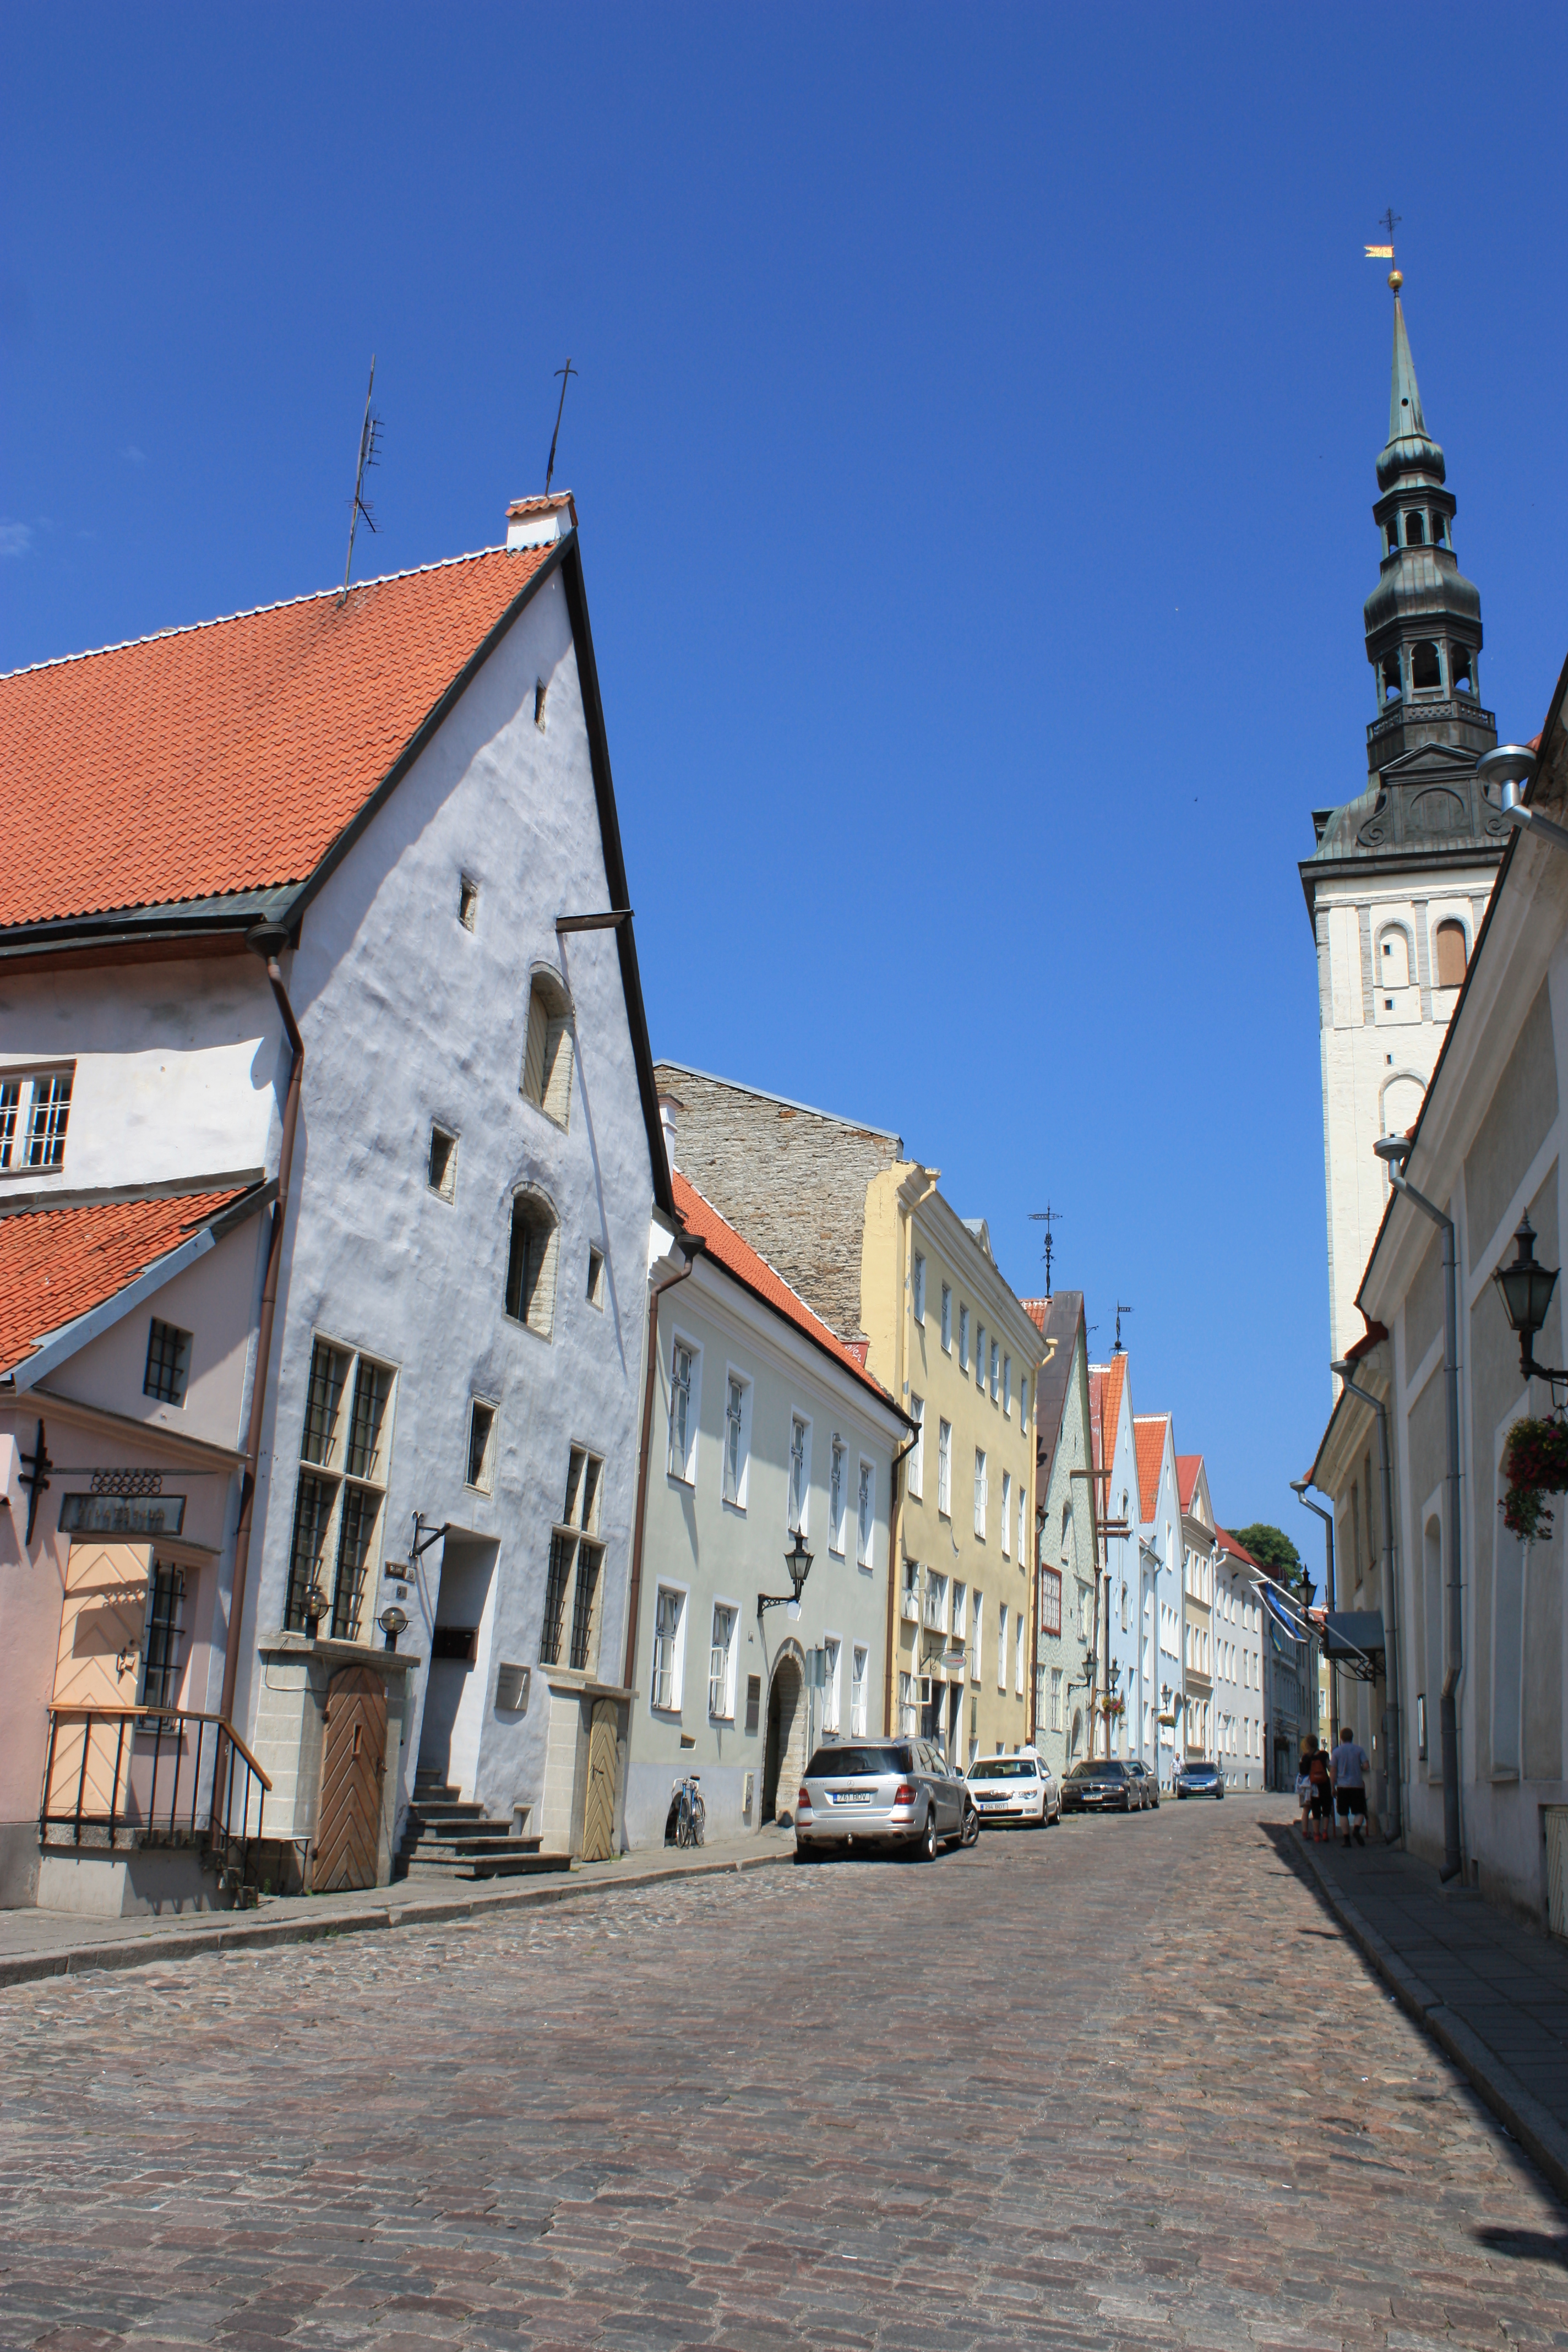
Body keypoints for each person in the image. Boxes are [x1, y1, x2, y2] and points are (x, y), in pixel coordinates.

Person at [1331, 1723, 1371, 1848]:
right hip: (1357, 1785)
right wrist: (1358, 1768)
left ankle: (1347, 1840)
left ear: (1341, 1738)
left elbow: (1333, 1771)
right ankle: (1357, 1829)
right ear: (1352, 1737)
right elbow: (1366, 1766)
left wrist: (1332, 1787)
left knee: (1343, 1813)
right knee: (1360, 1811)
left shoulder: (1336, 1752)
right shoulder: (1359, 1750)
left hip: (1342, 1786)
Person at [1305, 1735, 1334, 1842]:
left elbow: (1306, 1773)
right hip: (1325, 1784)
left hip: (1314, 1786)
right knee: (1326, 1809)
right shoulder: (1324, 1755)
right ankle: (1325, 1832)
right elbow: (1330, 1768)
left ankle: (1317, 1835)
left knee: (1316, 1810)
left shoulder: (1308, 1757)